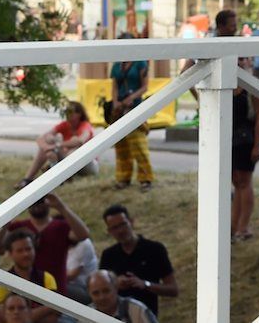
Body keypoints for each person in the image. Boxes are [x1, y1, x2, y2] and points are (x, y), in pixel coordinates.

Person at [214, 9, 259, 240]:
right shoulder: (229, 86)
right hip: (231, 138)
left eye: (243, 59)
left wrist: (257, 145)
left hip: (246, 140)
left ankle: (243, 227)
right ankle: (234, 227)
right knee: (237, 182)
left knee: (244, 182)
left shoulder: (251, 85)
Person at [0, 193, 90, 297]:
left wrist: (61, 206)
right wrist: (8, 215)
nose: (37, 205)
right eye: (32, 201)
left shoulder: (61, 226)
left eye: (40, 200)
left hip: (56, 292)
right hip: (24, 294)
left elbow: (83, 235)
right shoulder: (18, 227)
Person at [99, 204, 178, 317]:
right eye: (114, 228)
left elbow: (173, 290)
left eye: (123, 224)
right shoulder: (108, 255)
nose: (120, 231)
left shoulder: (154, 249)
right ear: (109, 231)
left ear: (131, 222)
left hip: (145, 315)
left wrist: (145, 284)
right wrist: (116, 283)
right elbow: (99, 291)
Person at [15, 101, 97, 190]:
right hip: (68, 161)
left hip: (87, 164)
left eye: (70, 112)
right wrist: (47, 147)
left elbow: (80, 141)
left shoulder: (85, 125)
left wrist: (56, 146)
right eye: (66, 112)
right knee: (50, 140)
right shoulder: (64, 125)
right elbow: (41, 138)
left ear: (79, 114)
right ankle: (28, 179)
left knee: (73, 145)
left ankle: (56, 172)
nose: (67, 115)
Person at [109, 33, 153, 191]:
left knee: (138, 146)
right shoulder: (116, 65)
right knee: (121, 147)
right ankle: (123, 178)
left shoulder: (140, 63)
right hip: (119, 109)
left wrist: (131, 98)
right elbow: (114, 87)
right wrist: (115, 102)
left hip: (134, 108)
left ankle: (145, 179)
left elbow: (145, 86)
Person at [0, 229, 59, 323]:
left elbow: (54, 317)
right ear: (10, 254)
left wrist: (21, 317)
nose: (25, 254)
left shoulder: (47, 277)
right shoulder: (2, 282)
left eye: (28, 249)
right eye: (19, 251)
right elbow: (4, 318)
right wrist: (48, 309)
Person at [87, 270, 158, 323]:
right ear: (89, 294)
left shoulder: (137, 310)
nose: (102, 297)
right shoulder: (85, 313)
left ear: (116, 288)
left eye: (106, 291)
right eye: (95, 293)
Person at [66, 235, 99, 303]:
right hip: (70, 285)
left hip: (85, 289)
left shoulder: (84, 244)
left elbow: (71, 275)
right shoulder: (61, 244)